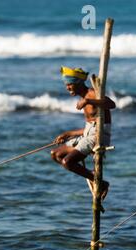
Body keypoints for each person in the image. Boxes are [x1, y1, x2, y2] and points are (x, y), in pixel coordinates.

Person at [51, 66, 116, 199]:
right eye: (66, 85)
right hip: (89, 134)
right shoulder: (83, 96)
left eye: (70, 85)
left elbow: (111, 104)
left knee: (67, 162)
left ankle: (101, 183)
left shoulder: (92, 94)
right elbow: (89, 127)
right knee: (56, 154)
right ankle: (91, 175)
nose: (67, 88)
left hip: (99, 136)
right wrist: (68, 133)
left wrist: (88, 101)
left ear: (78, 83)